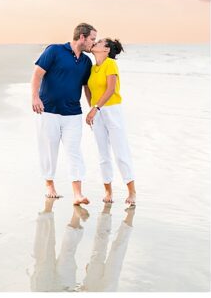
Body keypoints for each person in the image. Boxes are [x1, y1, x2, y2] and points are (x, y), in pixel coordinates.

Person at [32, 23, 95, 204]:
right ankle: (49, 185)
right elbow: (37, 74)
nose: (93, 42)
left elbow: (86, 87)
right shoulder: (54, 50)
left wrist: (92, 108)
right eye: (92, 39)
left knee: (74, 151)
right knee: (49, 150)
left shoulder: (85, 61)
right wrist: (35, 98)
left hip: (73, 113)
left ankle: (77, 193)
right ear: (82, 37)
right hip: (48, 110)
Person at [84, 38, 136, 206]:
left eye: (99, 42)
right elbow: (87, 88)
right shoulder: (91, 68)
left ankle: (132, 191)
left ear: (106, 50)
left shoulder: (110, 64)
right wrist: (92, 107)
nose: (95, 43)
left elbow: (111, 89)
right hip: (97, 112)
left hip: (112, 110)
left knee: (120, 153)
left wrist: (95, 108)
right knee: (103, 154)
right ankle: (108, 191)